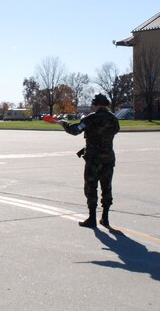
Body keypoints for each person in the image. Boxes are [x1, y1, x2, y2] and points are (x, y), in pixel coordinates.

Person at [60, 93, 120, 228]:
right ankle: (105, 217)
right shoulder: (114, 119)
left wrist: (63, 123)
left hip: (94, 160)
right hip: (108, 159)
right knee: (107, 187)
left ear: (97, 104)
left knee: (91, 188)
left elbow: (75, 130)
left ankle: (92, 218)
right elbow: (114, 132)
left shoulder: (90, 119)